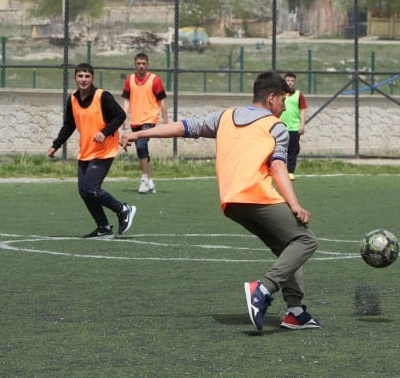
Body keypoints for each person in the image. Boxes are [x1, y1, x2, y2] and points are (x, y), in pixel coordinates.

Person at [122, 71, 319, 331]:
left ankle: (295, 312)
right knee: (305, 240)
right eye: (282, 100)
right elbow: (278, 166)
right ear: (272, 98)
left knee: (287, 247)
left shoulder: (224, 117)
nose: (284, 107)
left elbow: (184, 127)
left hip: (231, 202)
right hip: (257, 196)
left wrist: (141, 134)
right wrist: (294, 204)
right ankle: (263, 289)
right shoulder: (276, 127)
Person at [47, 63, 136, 239]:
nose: (83, 79)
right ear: (75, 78)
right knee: (84, 191)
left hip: (104, 150)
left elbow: (120, 115)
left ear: (92, 78)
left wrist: (105, 132)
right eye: (80, 76)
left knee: (91, 189)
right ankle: (103, 228)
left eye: (87, 76)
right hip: (86, 150)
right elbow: (69, 125)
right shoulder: (73, 98)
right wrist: (56, 145)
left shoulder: (102, 96)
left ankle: (123, 209)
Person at [121, 52, 167, 194]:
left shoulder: (154, 80)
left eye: (143, 63)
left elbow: (161, 100)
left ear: (147, 64)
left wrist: (165, 120)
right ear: (135, 64)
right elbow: (127, 100)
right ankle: (150, 181)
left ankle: (144, 179)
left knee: (141, 145)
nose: (141, 66)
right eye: (138, 63)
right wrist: (124, 117)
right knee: (142, 149)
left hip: (150, 119)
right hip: (136, 120)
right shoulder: (129, 80)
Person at [281, 72, 307, 180]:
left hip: (294, 127)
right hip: (280, 126)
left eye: (292, 81)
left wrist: (302, 124)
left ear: (294, 82)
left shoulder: (298, 94)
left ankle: (290, 171)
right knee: (279, 150)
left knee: (293, 150)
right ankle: (278, 171)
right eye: (287, 80)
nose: (290, 83)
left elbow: (303, 110)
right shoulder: (279, 93)